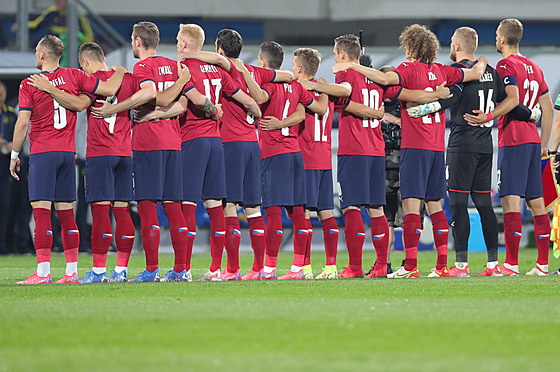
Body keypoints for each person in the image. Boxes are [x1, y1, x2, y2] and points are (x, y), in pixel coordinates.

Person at [332, 24, 488, 278]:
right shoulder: (442, 71)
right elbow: (475, 73)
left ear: (409, 46)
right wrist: (481, 59)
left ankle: (411, 266)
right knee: (436, 204)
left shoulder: (407, 69)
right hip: (438, 146)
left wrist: (352, 66)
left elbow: (384, 79)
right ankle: (441, 266)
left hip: (414, 146)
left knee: (412, 204)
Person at [304, 33, 455, 279]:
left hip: (354, 151)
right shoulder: (379, 83)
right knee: (377, 210)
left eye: (335, 54)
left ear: (343, 55)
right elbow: (411, 95)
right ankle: (383, 264)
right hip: (378, 151)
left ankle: (354, 267)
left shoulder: (346, 74)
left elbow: (343, 89)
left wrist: (316, 85)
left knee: (352, 207)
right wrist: (436, 96)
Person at [408, 27, 540, 277]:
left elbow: (451, 97)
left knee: (458, 204)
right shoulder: (490, 71)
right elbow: (508, 103)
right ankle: (493, 265)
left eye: (451, 43)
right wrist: (531, 114)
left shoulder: (460, 73)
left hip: (462, 146)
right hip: (484, 146)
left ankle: (461, 265)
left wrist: (425, 108)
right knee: (483, 204)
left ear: (457, 46)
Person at [91, 21, 216, 283]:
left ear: (138, 41)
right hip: (174, 143)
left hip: (149, 144)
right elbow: (181, 105)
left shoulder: (143, 66)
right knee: (174, 209)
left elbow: (151, 94)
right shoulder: (175, 66)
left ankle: (151, 271)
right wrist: (164, 108)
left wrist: (116, 109)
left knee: (148, 208)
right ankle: (181, 270)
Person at [137, 24, 261, 282]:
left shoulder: (183, 68)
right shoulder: (217, 67)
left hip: (193, 140)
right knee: (216, 205)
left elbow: (187, 103)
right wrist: (253, 112)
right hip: (217, 141)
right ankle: (217, 269)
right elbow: (246, 99)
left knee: (187, 206)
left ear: (183, 44)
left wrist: (158, 113)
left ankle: (185, 268)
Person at [10, 34, 126, 284]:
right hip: (68, 155)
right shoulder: (75, 76)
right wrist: (120, 71)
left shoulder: (30, 83)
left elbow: (22, 124)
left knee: (41, 213)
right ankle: (71, 272)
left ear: (42, 54)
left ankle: (42, 274)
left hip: (42, 153)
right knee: (66, 214)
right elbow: (108, 89)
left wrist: (15, 154)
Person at [464, 19, 555, 276]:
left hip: (513, 139)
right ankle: (542, 265)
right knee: (537, 203)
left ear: (502, 39)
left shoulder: (505, 65)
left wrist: (488, 116)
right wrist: (544, 145)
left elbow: (513, 98)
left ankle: (511, 264)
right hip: (532, 141)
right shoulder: (535, 67)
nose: (495, 40)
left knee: (510, 201)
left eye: (496, 35)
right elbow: (547, 108)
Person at [203, 29, 292, 280]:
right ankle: (259, 269)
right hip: (253, 144)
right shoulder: (254, 71)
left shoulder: (219, 71)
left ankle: (231, 269)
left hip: (229, 143)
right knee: (253, 208)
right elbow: (286, 75)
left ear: (219, 50)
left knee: (228, 206)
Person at [235, 41, 327, 280]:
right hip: (296, 154)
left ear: (263, 63)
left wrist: (245, 72)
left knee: (274, 213)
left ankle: (269, 269)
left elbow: (258, 95)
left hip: (274, 154)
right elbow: (316, 108)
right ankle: (298, 268)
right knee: (299, 213)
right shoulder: (295, 86)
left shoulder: (270, 85)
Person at [12, 0, 94, 66]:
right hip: (54, 48)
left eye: (59, 2)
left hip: (71, 50)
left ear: (66, 2)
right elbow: (37, 24)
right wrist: (21, 26)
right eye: (55, 3)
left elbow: (87, 33)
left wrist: (87, 49)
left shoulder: (76, 14)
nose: (57, 5)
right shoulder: (51, 12)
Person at [0, 81, 19, 254]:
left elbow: (19, 135)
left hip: (5, 162)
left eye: (2, 94)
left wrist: (14, 144)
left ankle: (3, 243)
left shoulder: (12, 115)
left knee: (5, 205)